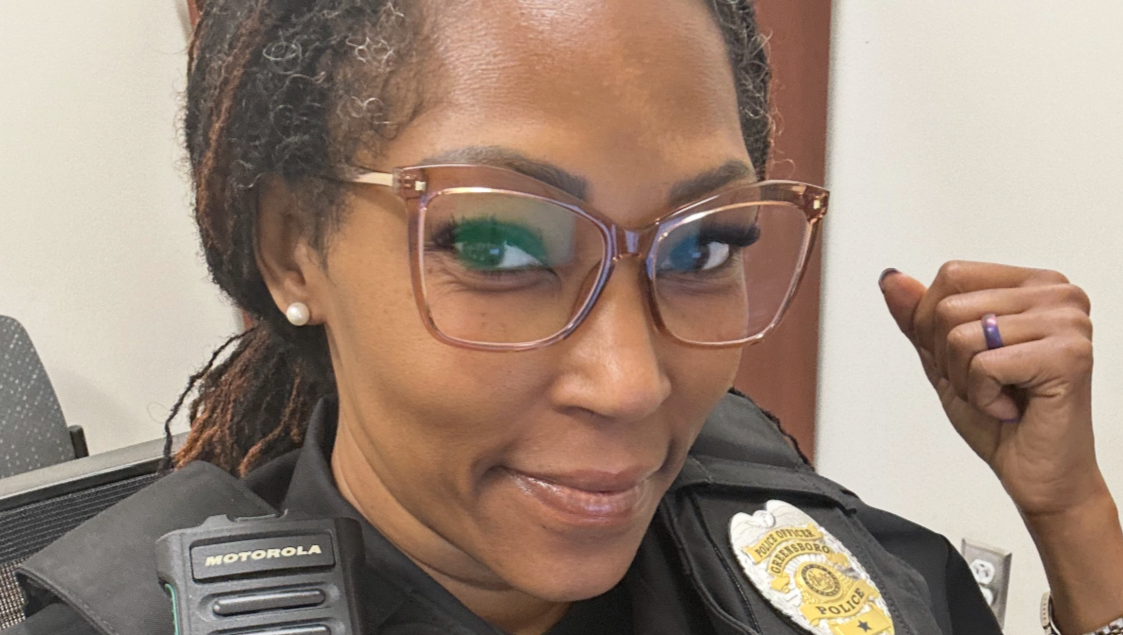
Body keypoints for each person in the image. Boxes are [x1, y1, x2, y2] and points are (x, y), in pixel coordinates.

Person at [7, 1, 1122, 634]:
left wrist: (1068, 509)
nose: (633, 383)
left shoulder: (770, 529)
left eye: (703, 246)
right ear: (292, 246)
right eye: (498, 247)